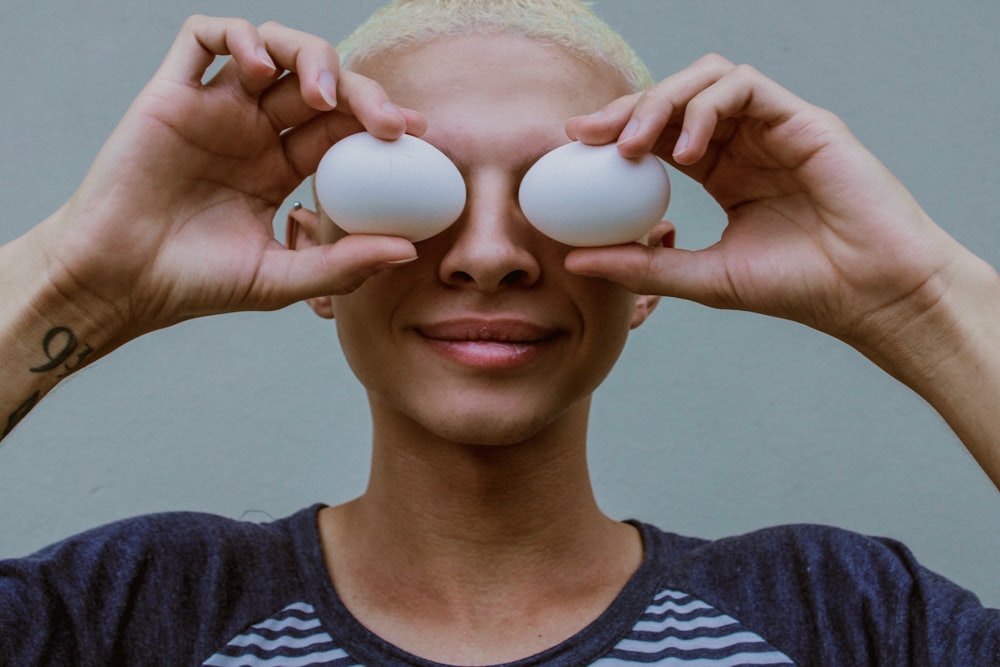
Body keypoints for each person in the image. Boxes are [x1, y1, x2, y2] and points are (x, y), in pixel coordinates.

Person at [1, 1, 998, 664]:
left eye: (561, 195)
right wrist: (75, 276)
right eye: (411, 185)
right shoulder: (135, 614)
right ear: (312, 254)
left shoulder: (844, 619)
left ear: (650, 264)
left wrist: (913, 294)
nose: (487, 254)